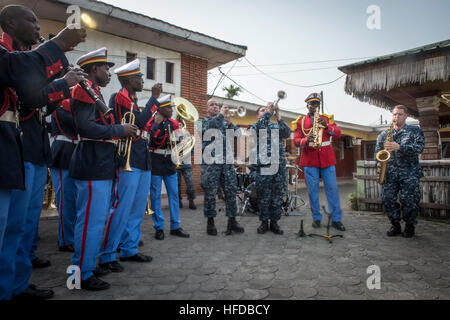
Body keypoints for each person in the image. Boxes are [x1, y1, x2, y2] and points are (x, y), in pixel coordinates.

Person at [0, 5, 86, 301]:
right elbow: (20, 77)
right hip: (13, 148)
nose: (38, 28)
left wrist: (62, 83)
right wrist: (58, 46)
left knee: (20, 227)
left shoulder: (21, 58)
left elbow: (36, 99)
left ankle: (15, 285)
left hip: (28, 147)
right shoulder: (6, 54)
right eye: (32, 21)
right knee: (8, 227)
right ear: (10, 22)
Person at [69, 48, 137, 291]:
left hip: (101, 163)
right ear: (93, 69)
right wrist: (119, 130)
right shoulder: (83, 89)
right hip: (91, 162)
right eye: (105, 68)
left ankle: (87, 266)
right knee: (89, 222)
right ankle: (78, 276)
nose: (109, 72)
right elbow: (85, 128)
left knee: (95, 220)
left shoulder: (94, 91)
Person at [98, 60, 161, 272]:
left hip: (142, 156)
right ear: (127, 80)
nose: (142, 80)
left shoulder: (133, 100)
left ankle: (129, 248)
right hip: (129, 157)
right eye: (138, 77)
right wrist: (154, 98)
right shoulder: (119, 97)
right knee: (122, 207)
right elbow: (138, 123)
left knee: (136, 208)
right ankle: (107, 254)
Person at [293, 93, 346, 231]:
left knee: (332, 189)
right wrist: (306, 139)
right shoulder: (300, 121)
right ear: (307, 105)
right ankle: (316, 218)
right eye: (312, 104)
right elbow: (296, 141)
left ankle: (336, 219)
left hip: (327, 158)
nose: (315, 106)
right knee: (312, 190)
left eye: (317, 104)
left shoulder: (327, 119)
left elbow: (338, 133)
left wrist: (327, 127)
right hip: (310, 159)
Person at [375, 105, 425, 238]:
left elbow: (419, 148)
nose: (397, 117)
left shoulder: (415, 131)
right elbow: (377, 153)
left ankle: (409, 226)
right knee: (388, 200)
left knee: (409, 201)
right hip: (390, 173)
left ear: (406, 115)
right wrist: (379, 167)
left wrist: (400, 147)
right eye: (395, 114)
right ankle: (395, 225)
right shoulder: (384, 134)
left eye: (400, 114)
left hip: (409, 173)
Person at [148, 99, 190, 240]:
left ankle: (175, 226)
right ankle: (158, 227)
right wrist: (156, 124)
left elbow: (179, 142)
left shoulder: (174, 123)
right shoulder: (151, 122)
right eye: (169, 108)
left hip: (170, 162)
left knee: (174, 194)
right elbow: (150, 141)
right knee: (155, 196)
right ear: (161, 109)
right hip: (155, 162)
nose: (172, 111)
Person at [202, 104, 245, 236]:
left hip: (227, 162)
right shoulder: (203, 121)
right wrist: (221, 115)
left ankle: (232, 221)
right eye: (212, 105)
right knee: (210, 193)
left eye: (217, 105)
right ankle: (210, 222)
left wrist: (230, 123)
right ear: (207, 108)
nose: (215, 106)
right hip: (212, 162)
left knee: (231, 191)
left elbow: (238, 134)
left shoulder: (224, 122)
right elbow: (209, 128)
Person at [249, 103, 291, 234]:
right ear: (258, 115)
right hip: (263, 166)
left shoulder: (274, 126)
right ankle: (263, 223)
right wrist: (268, 112)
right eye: (262, 110)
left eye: (266, 110)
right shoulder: (256, 125)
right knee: (264, 196)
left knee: (277, 196)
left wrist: (278, 115)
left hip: (278, 166)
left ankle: (274, 223)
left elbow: (286, 133)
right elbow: (261, 125)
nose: (265, 111)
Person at [49, 98, 78, 253]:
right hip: (63, 152)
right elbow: (76, 123)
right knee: (65, 201)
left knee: (73, 200)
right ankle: (65, 239)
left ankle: (71, 236)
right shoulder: (60, 106)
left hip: (74, 152)